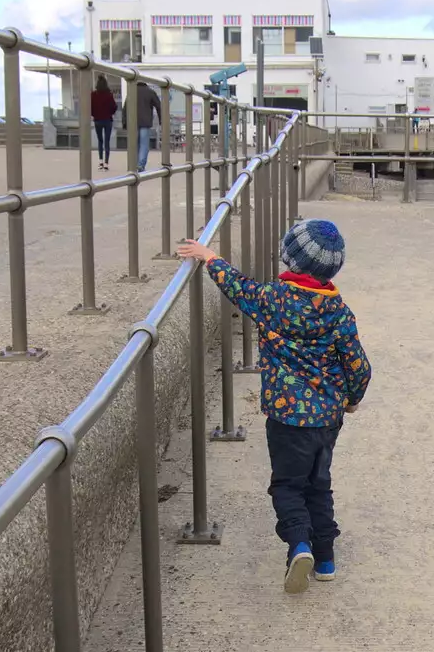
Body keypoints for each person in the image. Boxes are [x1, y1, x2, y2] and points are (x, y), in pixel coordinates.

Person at [176, 218, 371, 593]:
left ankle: (299, 544)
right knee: (319, 484)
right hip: (327, 419)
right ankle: (326, 559)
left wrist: (210, 258)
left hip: (285, 417)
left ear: (290, 261)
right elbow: (359, 365)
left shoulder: (272, 300)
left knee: (287, 485)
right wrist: (352, 399)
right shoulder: (339, 312)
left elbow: (238, 287)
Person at [128, 82, 161, 171]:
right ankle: (141, 165)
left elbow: (125, 107)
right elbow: (159, 106)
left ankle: (134, 164)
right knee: (144, 144)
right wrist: (162, 121)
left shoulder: (131, 92)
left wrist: (125, 122)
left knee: (134, 144)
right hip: (145, 122)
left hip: (133, 122)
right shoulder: (150, 92)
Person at [90, 74, 117, 169]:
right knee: (107, 141)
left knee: (100, 140)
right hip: (107, 120)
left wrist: (94, 114)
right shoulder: (109, 95)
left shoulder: (93, 95)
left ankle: (100, 161)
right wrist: (110, 113)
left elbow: (90, 107)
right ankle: (106, 163)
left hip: (97, 120)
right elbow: (114, 107)